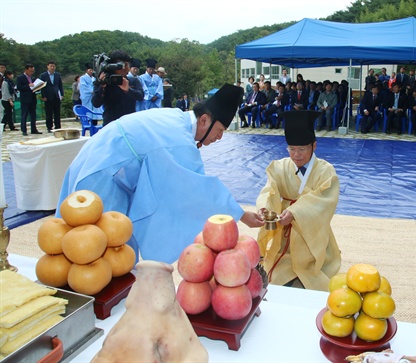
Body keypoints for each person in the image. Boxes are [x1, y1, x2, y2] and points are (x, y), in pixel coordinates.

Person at [56, 84, 264, 264]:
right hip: (104, 173)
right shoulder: (179, 140)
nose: (218, 138)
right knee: (98, 248)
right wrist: (240, 214)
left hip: (102, 159)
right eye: (219, 131)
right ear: (204, 121)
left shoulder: (176, 117)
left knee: (118, 242)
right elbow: (197, 191)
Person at [256, 110, 341, 291]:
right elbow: (270, 190)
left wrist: (295, 212)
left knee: (315, 275)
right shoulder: (280, 167)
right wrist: (265, 207)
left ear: (314, 146)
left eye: (302, 149)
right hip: (284, 241)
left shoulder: (325, 171)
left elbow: (324, 201)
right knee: (275, 275)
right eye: (292, 149)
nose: (296, 155)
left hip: (312, 236)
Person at [92, 50, 144, 126]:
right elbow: (96, 103)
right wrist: (101, 86)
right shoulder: (105, 82)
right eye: (122, 66)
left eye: (127, 65)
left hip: (130, 123)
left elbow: (141, 97)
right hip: (111, 124)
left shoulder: (133, 80)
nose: (126, 69)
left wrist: (128, 90)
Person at [16, 63, 42, 135]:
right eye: (30, 71)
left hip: (33, 98)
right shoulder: (20, 77)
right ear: (26, 70)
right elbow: (19, 87)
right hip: (25, 99)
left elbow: (34, 87)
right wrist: (28, 85)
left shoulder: (32, 78)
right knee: (24, 115)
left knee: (33, 114)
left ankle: (33, 129)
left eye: (32, 71)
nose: (31, 73)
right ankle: (24, 130)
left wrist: (37, 87)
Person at [39, 61, 64, 132]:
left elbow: (60, 85)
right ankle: (49, 127)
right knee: (49, 113)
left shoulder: (57, 75)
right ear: (48, 66)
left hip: (56, 95)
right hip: (48, 96)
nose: (52, 68)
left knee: (57, 112)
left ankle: (58, 126)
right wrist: (43, 96)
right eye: (51, 66)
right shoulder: (43, 75)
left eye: (54, 66)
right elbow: (42, 86)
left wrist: (62, 94)